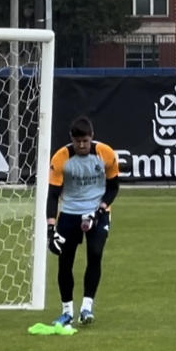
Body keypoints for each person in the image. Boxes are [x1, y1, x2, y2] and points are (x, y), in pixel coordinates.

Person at [45, 117, 120, 328]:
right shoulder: (61, 158)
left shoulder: (105, 154)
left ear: (92, 138)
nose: (81, 145)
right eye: (77, 141)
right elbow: (53, 195)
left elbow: (114, 187)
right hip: (69, 212)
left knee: (95, 254)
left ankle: (87, 307)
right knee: (65, 260)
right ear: (71, 139)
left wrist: (101, 209)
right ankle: (67, 311)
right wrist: (51, 228)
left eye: (85, 141)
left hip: (97, 210)